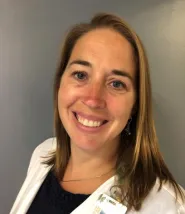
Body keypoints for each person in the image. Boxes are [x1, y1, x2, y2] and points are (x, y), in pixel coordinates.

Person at [10, 12, 185, 214]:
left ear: (135, 105)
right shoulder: (43, 155)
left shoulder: (168, 207)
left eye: (116, 83)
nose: (93, 99)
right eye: (80, 75)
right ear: (60, 84)